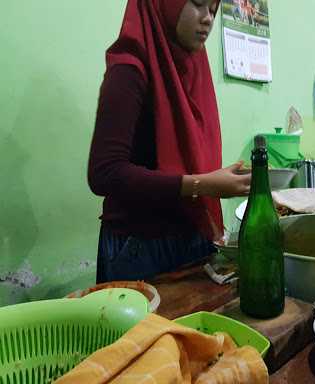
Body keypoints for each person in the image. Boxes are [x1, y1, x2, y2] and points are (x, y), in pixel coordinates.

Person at [88, 0, 251, 283]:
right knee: (148, 329)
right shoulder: (128, 70)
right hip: (140, 246)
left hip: (191, 235)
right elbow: (104, 173)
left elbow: (184, 158)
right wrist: (203, 184)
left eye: (213, 9)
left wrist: (217, 179)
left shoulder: (192, 68)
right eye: (198, 4)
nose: (208, 19)